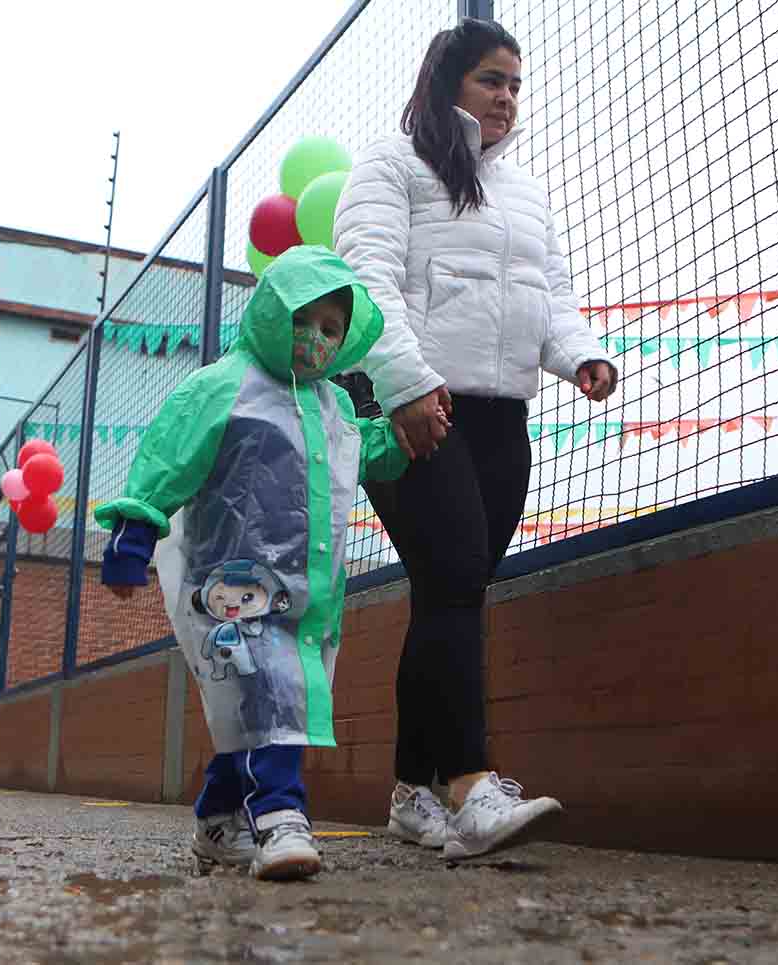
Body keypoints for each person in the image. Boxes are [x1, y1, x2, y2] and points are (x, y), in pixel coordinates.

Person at [333, 18, 618, 861]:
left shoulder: (523, 191)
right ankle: (468, 784)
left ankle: (411, 792)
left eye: (515, 84)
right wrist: (406, 386)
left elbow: (547, 294)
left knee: (448, 593)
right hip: (414, 406)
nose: (506, 97)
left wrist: (581, 355)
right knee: (455, 574)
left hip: (501, 418)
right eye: (491, 79)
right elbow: (366, 279)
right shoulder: (391, 165)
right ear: (447, 81)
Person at [96, 246, 410, 881]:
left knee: (257, 705)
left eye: (331, 330)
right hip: (231, 586)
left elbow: (359, 453)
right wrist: (133, 535)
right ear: (272, 312)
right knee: (274, 691)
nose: (316, 340)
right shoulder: (222, 386)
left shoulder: (335, 406)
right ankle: (280, 818)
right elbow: (169, 456)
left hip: (309, 588)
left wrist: (400, 436)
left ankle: (218, 819)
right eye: (304, 321)